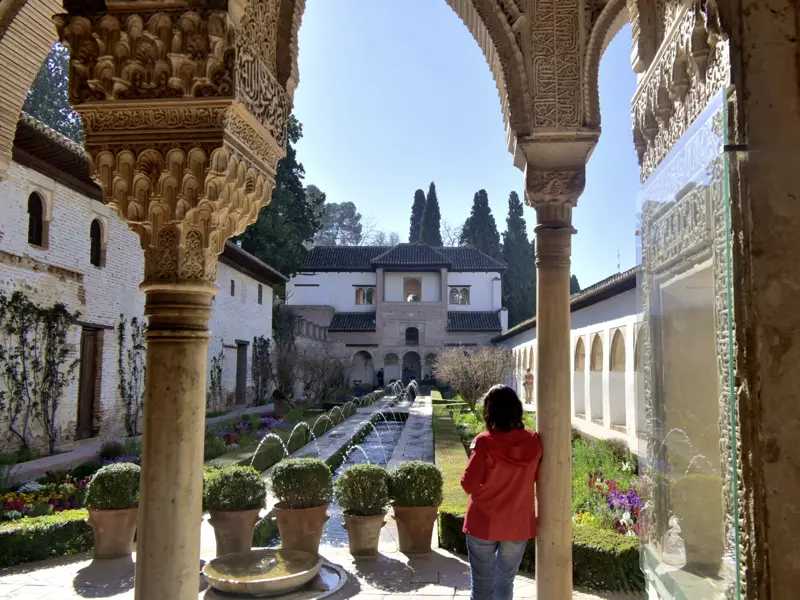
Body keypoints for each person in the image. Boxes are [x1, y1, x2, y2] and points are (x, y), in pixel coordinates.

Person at [461, 385, 542, 600]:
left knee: (481, 587)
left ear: (490, 411)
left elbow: (468, 484)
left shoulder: (485, 443)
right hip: (517, 523)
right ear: (517, 409)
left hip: (483, 522)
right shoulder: (534, 443)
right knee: (505, 583)